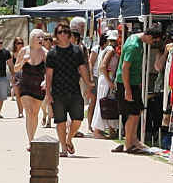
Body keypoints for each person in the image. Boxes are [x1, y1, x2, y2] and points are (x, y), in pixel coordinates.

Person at [113, 23, 165, 155]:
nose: (153, 43)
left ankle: (133, 140)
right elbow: (125, 68)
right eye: (154, 40)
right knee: (133, 114)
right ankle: (128, 144)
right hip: (126, 83)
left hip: (133, 83)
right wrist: (127, 89)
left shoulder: (136, 40)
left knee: (137, 112)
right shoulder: (133, 46)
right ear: (148, 35)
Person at [44, 22, 92, 157]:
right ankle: (63, 148)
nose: (63, 34)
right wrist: (48, 93)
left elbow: (82, 69)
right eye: (60, 32)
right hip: (58, 91)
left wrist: (88, 83)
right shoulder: (52, 53)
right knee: (60, 121)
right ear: (56, 35)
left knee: (78, 119)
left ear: (69, 34)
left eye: (66, 31)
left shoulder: (77, 51)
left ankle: (69, 138)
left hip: (74, 90)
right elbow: (49, 75)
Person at [15, 29, 48, 149]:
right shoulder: (24, 51)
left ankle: (32, 137)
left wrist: (46, 80)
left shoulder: (45, 53)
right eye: (38, 37)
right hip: (25, 85)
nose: (41, 40)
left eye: (42, 38)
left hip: (39, 86)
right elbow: (16, 69)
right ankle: (31, 141)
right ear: (32, 38)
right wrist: (23, 61)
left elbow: (50, 71)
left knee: (35, 113)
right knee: (29, 112)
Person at [91, 30, 119, 139]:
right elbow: (103, 66)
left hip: (106, 78)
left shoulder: (106, 49)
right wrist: (110, 82)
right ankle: (98, 130)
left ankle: (110, 129)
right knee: (104, 103)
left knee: (105, 103)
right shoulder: (110, 50)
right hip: (107, 78)